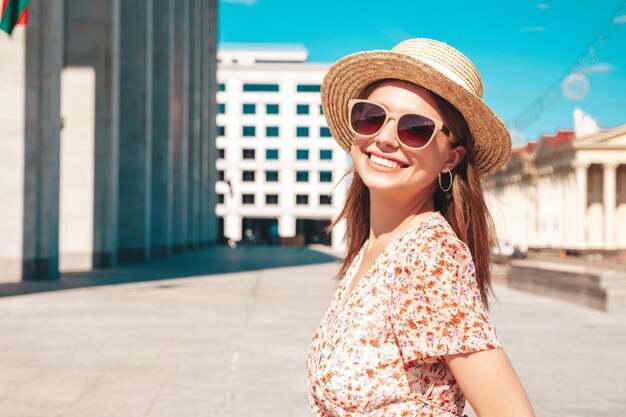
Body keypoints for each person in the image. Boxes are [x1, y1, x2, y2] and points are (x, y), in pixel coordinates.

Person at [306, 39, 535, 417]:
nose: (383, 138)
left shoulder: (428, 256)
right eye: (371, 116)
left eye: (415, 128)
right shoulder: (374, 247)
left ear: (451, 157)